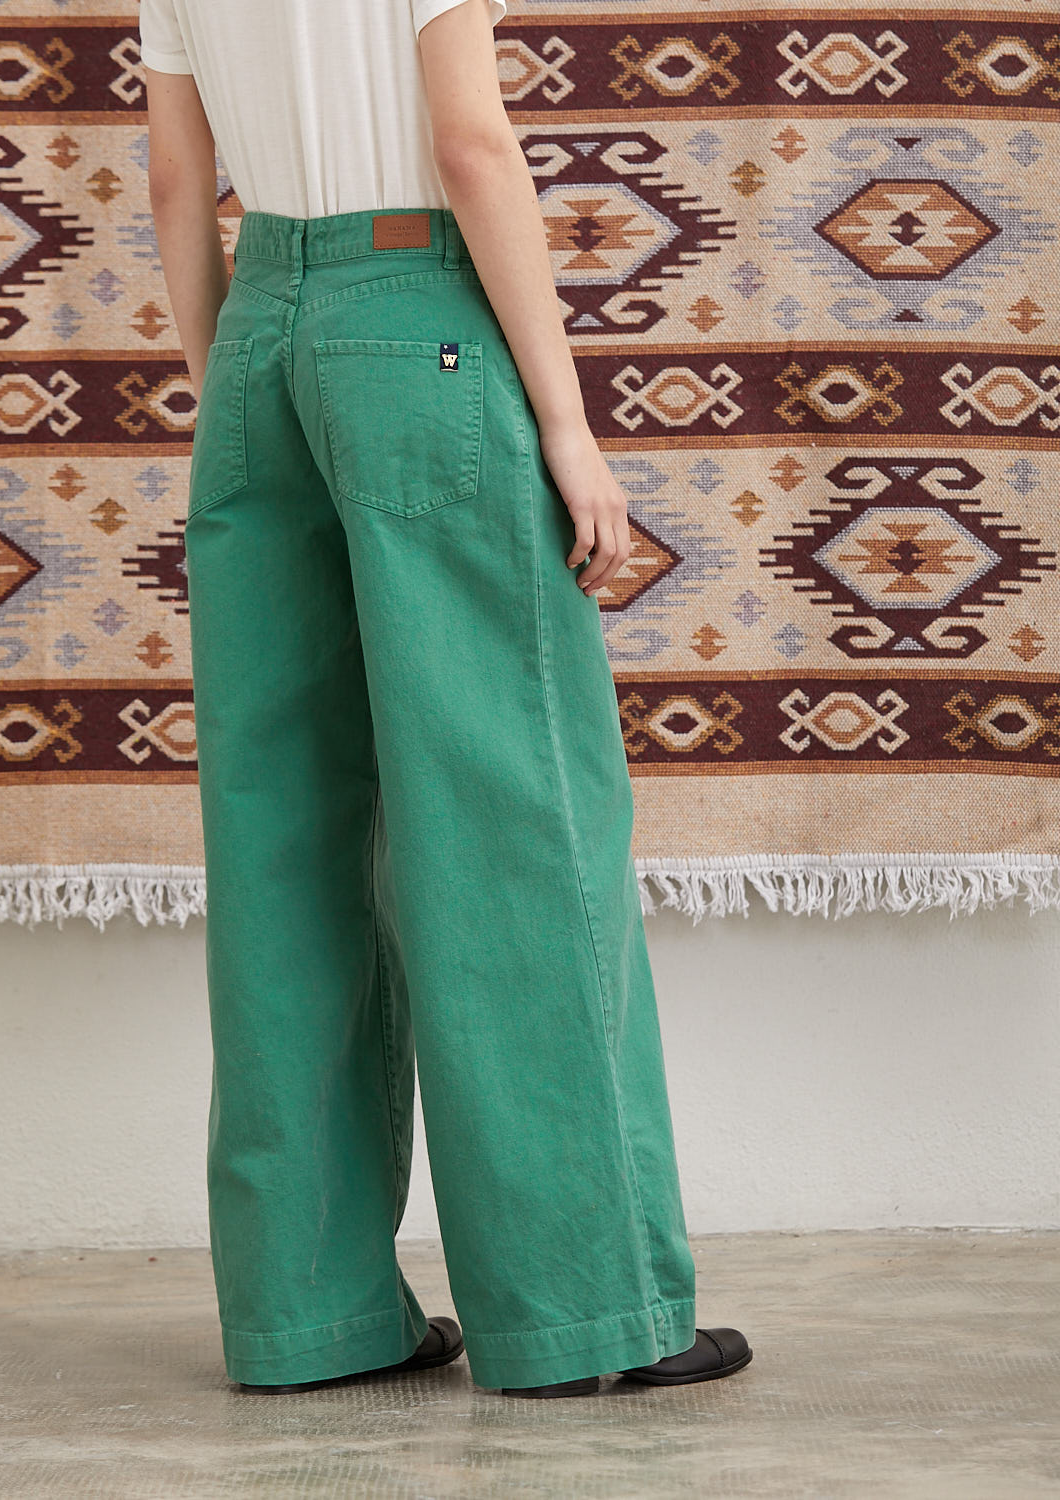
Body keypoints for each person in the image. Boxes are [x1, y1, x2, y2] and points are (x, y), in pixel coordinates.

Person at [139, 0, 752, 1399]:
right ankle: (586, 1312)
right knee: (512, 818)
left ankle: (310, 1318)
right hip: (418, 325)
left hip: (260, 338)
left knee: (283, 834)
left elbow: (178, 181)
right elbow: (472, 146)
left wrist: (237, 386)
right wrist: (568, 427)